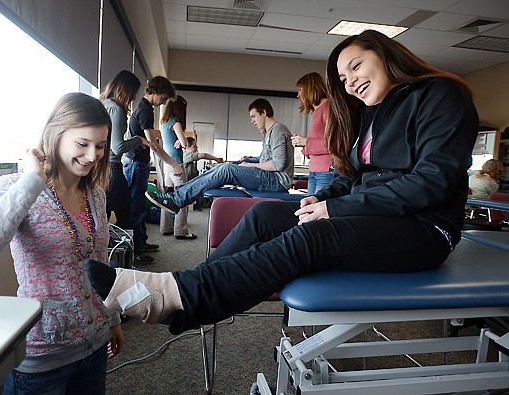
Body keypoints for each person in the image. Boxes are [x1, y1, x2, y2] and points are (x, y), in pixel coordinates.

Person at [84, 29, 479, 337]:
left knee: (311, 238)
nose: (350, 81)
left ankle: (180, 296)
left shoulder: (440, 95)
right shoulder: (371, 114)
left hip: (426, 230)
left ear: (387, 54)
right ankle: (187, 293)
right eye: (343, 77)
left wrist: (334, 209)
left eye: (356, 66)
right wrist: (321, 200)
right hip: (375, 217)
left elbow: (432, 183)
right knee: (265, 216)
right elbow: (351, 180)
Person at [0, 92, 123, 394]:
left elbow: (99, 265)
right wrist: (32, 181)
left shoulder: (95, 194)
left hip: (94, 348)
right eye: (82, 144)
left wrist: (112, 317)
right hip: (41, 355)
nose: (92, 155)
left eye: (100, 146)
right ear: (55, 135)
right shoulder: (14, 187)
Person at [145, 98, 294, 214]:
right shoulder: (270, 132)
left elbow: (278, 164)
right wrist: (249, 159)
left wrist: (250, 165)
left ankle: (177, 199)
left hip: (277, 181)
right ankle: (177, 195)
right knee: (224, 166)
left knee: (227, 170)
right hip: (269, 177)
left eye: (254, 116)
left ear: (264, 113)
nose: (252, 121)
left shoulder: (278, 130)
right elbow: (265, 159)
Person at [123, 76, 181, 265]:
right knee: (136, 208)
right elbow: (154, 145)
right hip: (136, 164)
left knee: (139, 206)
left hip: (138, 163)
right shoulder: (145, 110)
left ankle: (142, 242)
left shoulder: (144, 107)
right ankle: (136, 251)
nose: (164, 101)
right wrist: (173, 163)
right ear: (156, 91)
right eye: (164, 97)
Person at [99, 70, 151, 230]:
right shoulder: (116, 110)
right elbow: (118, 147)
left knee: (103, 214)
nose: (134, 97)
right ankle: (126, 252)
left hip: (102, 168)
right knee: (125, 213)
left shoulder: (104, 104)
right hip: (112, 168)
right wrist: (139, 140)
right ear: (127, 90)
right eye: (134, 93)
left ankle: (106, 252)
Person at [158, 95, 197, 240]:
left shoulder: (163, 122)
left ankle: (165, 227)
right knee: (182, 196)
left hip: (166, 163)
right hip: (176, 164)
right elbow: (186, 144)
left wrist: (180, 142)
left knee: (168, 196)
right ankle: (181, 231)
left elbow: (177, 142)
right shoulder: (176, 121)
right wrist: (182, 142)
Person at [291, 72, 334, 194]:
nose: (298, 95)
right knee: (309, 210)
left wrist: (306, 142)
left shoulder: (328, 108)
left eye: (300, 90)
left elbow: (334, 144)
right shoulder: (317, 111)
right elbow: (317, 147)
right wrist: (303, 144)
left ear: (309, 88)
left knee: (316, 211)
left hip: (325, 172)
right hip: (315, 171)